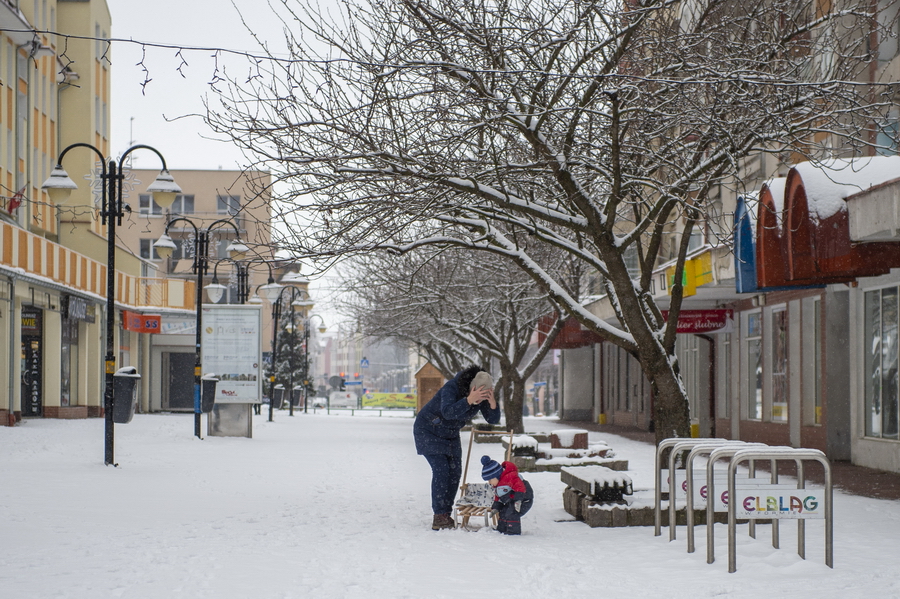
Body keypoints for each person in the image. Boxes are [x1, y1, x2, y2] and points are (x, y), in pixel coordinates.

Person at [414, 366, 500, 530]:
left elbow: (492, 419)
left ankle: (445, 513)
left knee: (455, 472)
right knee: (441, 470)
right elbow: (447, 412)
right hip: (428, 430)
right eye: (479, 396)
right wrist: (468, 400)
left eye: (484, 396)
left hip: (450, 434)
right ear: (472, 387)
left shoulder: (481, 397)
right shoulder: (452, 387)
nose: (479, 401)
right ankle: (439, 516)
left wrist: (492, 402)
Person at [481, 455, 528, 535]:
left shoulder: (510, 477)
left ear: (496, 476)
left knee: (512, 513)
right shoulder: (498, 485)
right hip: (511, 500)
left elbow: (520, 487)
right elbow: (498, 497)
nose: (489, 483)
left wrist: (518, 500)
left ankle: (513, 532)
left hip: (524, 499)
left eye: (490, 480)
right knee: (503, 512)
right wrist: (496, 507)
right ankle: (502, 529)